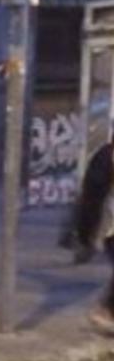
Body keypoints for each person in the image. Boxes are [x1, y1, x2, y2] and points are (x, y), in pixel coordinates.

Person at [71, 139, 114, 335]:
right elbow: (92, 198)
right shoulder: (106, 157)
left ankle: (106, 310)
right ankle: (105, 310)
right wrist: (85, 236)